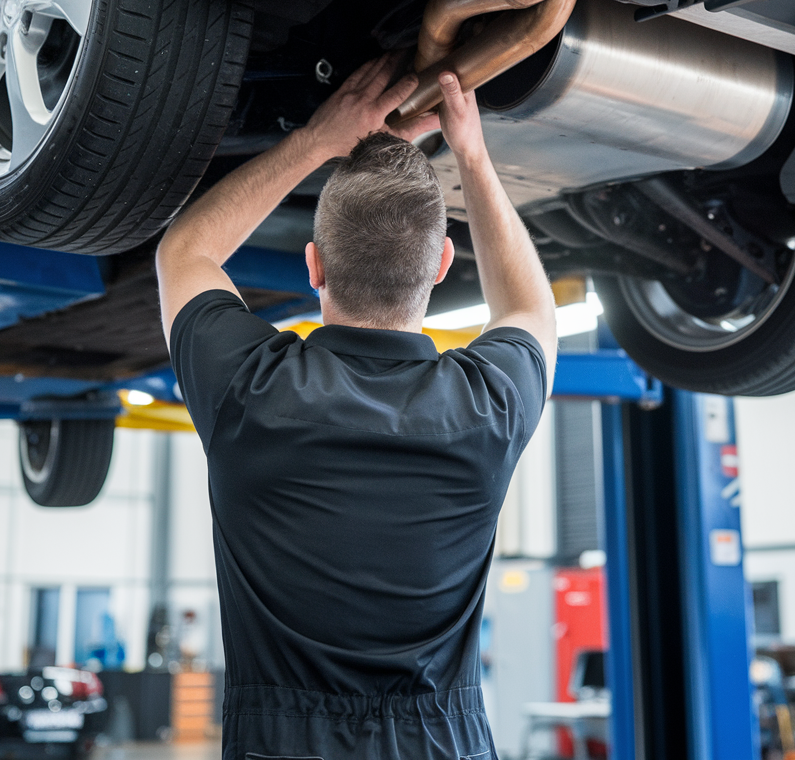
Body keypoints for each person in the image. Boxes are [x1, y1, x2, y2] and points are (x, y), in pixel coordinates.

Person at [156, 54, 558, 760]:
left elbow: (185, 251)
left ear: (314, 266)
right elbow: (529, 308)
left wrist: (315, 140)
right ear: (441, 265)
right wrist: (472, 156)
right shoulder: (486, 407)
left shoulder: (253, 391)